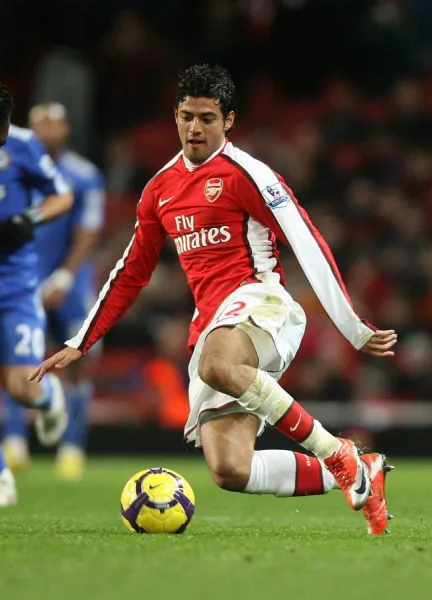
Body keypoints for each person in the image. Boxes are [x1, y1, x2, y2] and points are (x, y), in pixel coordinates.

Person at [30, 64, 397, 534]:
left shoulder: (249, 173)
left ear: (229, 121)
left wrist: (352, 326)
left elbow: (306, 239)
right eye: (187, 116)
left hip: (262, 301)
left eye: (207, 117)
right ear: (175, 116)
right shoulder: (159, 189)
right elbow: (131, 271)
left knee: (216, 362)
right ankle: (360, 469)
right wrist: (83, 340)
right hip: (213, 324)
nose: (195, 127)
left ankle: (335, 452)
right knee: (230, 469)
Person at [3, 103, 105, 481]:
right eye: (38, 123)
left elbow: (88, 230)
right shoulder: (12, 162)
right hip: (23, 275)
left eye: (53, 123)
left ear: (66, 129)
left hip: (69, 277)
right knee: (12, 354)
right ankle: (14, 441)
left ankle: (72, 445)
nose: (46, 130)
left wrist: (64, 276)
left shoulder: (84, 175)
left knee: (77, 359)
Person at [0, 83, 73, 505]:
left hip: (15, 286)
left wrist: (28, 218)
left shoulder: (25, 145)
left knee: (20, 386)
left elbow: (61, 196)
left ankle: (49, 399)